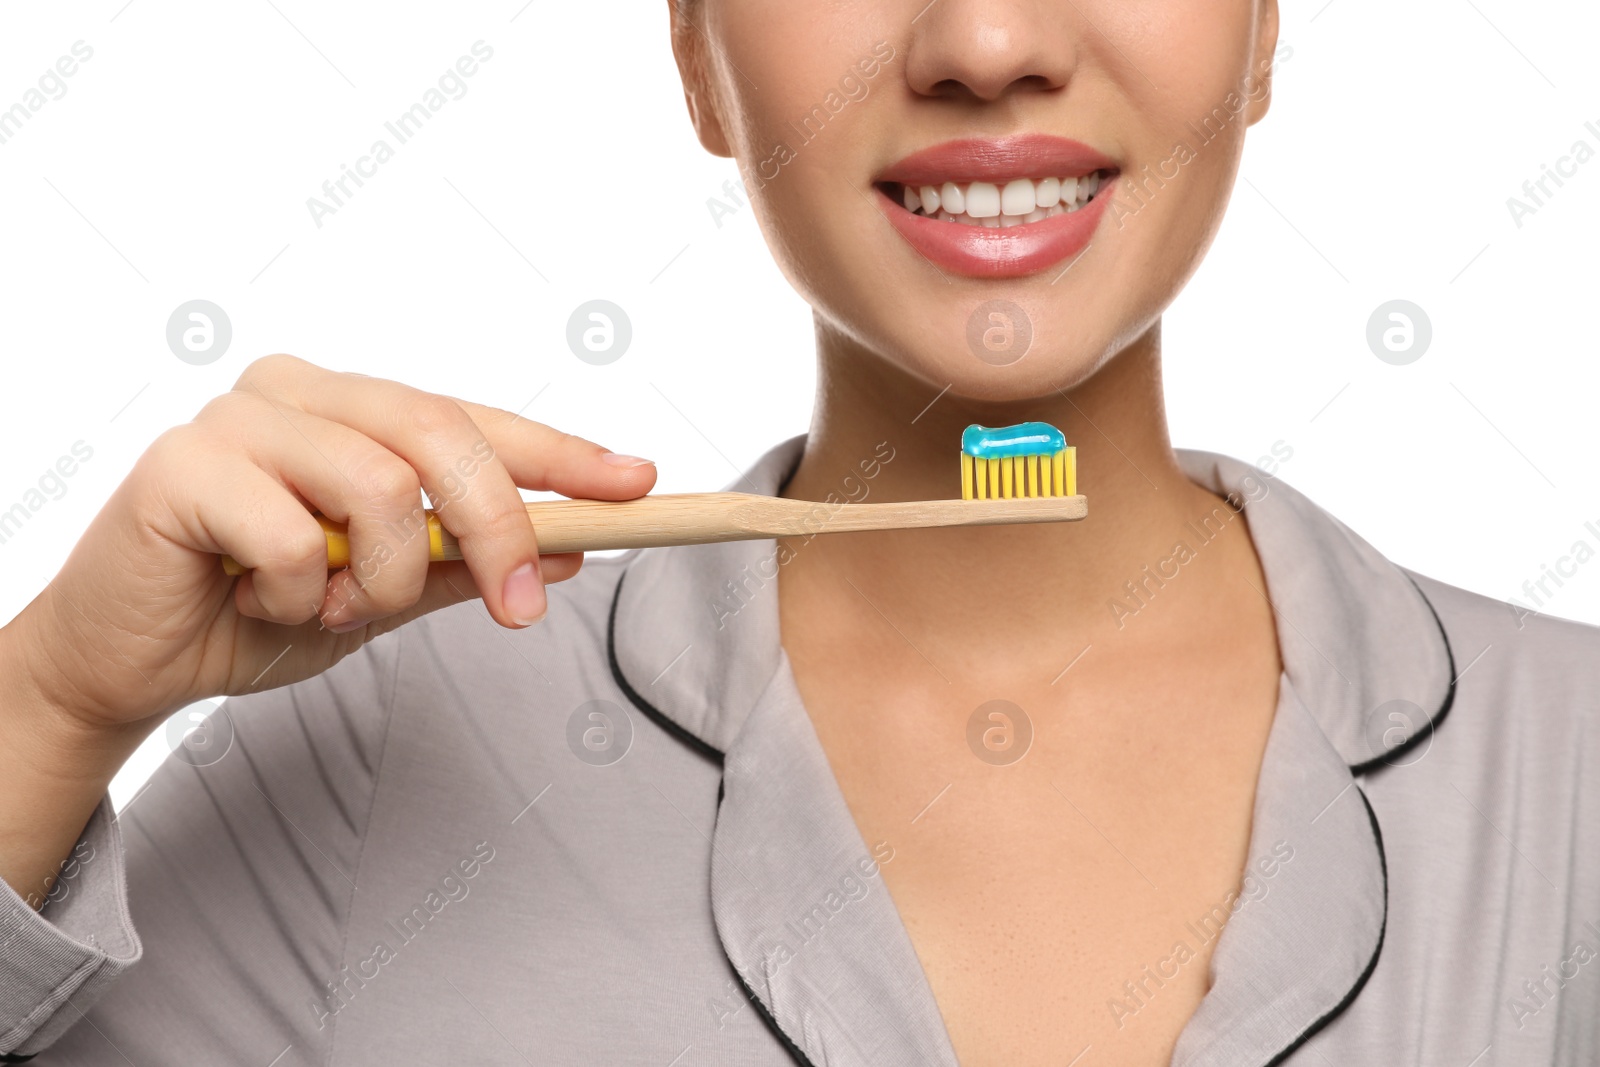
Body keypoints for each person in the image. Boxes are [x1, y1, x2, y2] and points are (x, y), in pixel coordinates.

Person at [1, 0, 1595, 1063]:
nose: (985, 40)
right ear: (696, 53)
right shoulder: (376, 766)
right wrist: (48, 708)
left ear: (1261, 31)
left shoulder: (1572, 773)